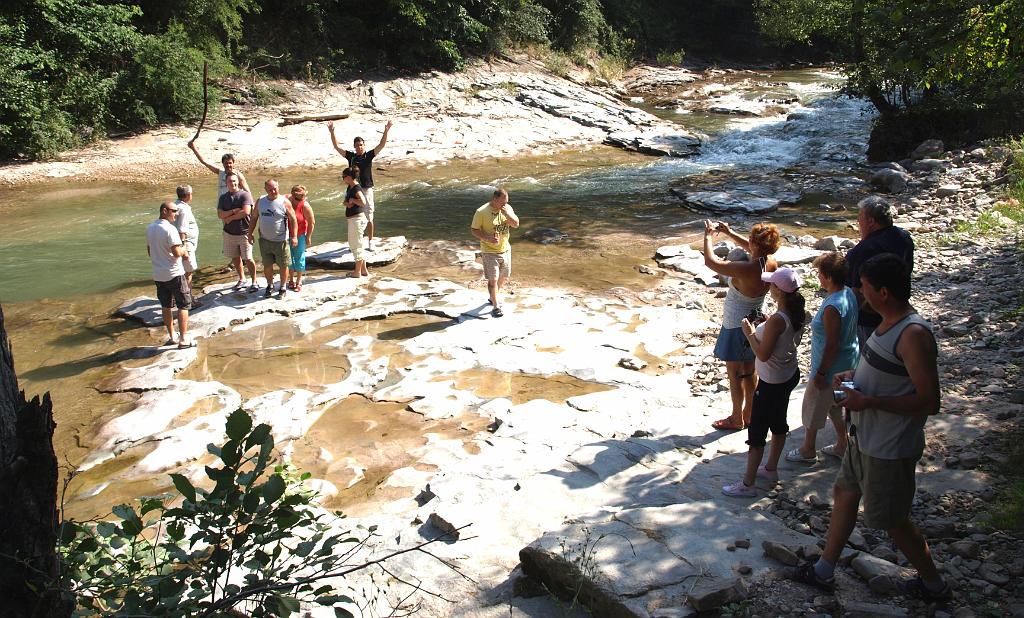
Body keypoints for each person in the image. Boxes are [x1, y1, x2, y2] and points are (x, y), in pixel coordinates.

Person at [791, 253, 949, 603]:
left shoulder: (913, 334)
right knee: (845, 494)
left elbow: (929, 401)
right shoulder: (885, 322)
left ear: (883, 291)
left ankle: (934, 585)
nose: (859, 293)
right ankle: (823, 570)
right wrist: (855, 378)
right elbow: (887, 373)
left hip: (888, 445)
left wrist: (871, 401)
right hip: (864, 437)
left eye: (864, 287)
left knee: (892, 520)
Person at [722, 268, 806, 497]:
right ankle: (770, 469)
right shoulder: (796, 313)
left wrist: (749, 333)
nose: (768, 287)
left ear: (778, 290)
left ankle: (747, 484)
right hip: (789, 374)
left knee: (758, 433)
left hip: (771, 382)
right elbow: (782, 338)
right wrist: (767, 324)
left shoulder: (779, 320)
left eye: (772, 285)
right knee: (779, 423)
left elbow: (763, 354)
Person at [703, 220, 781, 431]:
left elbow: (711, 262)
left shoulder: (745, 269)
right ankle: (749, 414)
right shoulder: (771, 262)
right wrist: (729, 233)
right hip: (755, 322)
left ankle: (736, 418)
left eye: (751, 241)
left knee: (734, 374)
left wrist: (709, 236)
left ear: (755, 245)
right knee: (749, 370)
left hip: (736, 326)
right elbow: (753, 248)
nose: (748, 243)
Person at [787, 252, 859, 464]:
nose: (817, 277)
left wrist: (820, 373)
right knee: (836, 405)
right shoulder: (850, 294)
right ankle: (842, 443)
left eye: (819, 273)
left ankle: (808, 449)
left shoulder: (832, 307)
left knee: (813, 407)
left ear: (828, 276)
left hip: (830, 369)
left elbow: (832, 344)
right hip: (849, 362)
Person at [845, 196, 914, 348]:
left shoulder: (865, 249)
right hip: (900, 308)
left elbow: (856, 290)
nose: (858, 222)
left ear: (871, 222)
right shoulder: (904, 237)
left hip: (870, 317)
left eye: (860, 218)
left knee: (872, 354)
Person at [327, 120, 392, 249]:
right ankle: (357, 240)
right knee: (353, 213)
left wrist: (386, 130)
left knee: (369, 215)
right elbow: (337, 147)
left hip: (367, 189)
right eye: (357, 145)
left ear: (364, 145)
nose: (359, 147)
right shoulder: (351, 157)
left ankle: (371, 241)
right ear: (354, 147)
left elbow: (382, 145)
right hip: (354, 188)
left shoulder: (368, 156)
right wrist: (332, 131)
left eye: (361, 145)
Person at [146, 201, 193, 349]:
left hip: (158, 274)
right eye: (174, 211)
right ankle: (184, 339)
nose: (176, 214)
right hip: (174, 273)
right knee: (183, 305)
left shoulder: (150, 228)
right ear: (164, 211)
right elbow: (177, 252)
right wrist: (185, 251)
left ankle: (172, 336)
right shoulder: (170, 229)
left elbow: (149, 251)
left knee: (166, 306)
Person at [470, 188, 520, 317]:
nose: (504, 205)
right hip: (489, 251)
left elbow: (516, 224)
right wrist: (487, 238)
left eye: (506, 202)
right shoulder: (481, 212)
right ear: (494, 199)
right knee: (493, 279)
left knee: (503, 276)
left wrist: (507, 213)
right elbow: (474, 229)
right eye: (502, 202)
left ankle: (493, 298)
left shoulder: (507, 208)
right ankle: (496, 307)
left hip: (505, 249)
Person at [247, 179, 298, 298]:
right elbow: (254, 218)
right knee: (267, 265)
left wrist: (294, 236)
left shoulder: (284, 202)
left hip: (281, 241)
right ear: (266, 190)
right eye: (270, 189)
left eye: (275, 188)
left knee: (283, 265)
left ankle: (282, 287)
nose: (273, 191)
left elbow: (293, 219)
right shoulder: (261, 201)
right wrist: (250, 234)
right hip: (265, 240)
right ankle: (270, 285)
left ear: (278, 187)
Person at [217, 172, 257, 291]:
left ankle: (254, 281)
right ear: (226, 183)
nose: (232, 183)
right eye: (230, 181)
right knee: (235, 257)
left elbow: (246, 212)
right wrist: (234, 211)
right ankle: (242, 278)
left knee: (248, 258)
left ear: (238, 182)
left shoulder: (245, 195)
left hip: (244, 232)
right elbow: (220, 214)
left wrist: (229, 217)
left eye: (234, 181)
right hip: (229, 233)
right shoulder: (223, 197)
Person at [171, 185, 200, 296]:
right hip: (185, 245)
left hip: (179, 244)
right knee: (188, 272)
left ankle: (177, 297)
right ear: (188, 195)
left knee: (180, 272)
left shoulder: (175, 205)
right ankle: (188, 299)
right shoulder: (183, 209)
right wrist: (184, 250)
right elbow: (181, 230)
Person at [342, 167, 370, 278]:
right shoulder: (350, 187)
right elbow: (346, 201)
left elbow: (363, 202)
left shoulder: (356, 188)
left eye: (343, 177)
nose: (343, 179)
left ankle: (357, 272)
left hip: (357, 220)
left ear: (348, 177)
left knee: (356, 245)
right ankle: (363, 270)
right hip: (353, 220)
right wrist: (347, 203)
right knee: (357, 244)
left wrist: (353, 201)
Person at [287, 185, 315, 292]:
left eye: (302, 198)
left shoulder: (305, 205)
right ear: (292, 195)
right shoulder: (287, 201)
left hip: (300, 235)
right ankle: (290, 279)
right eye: (298, 198)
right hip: (286, 235)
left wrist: (308, 236)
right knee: (288, 257)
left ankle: (298, 280)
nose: (300, 200)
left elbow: (312, 222)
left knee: (299, 257)